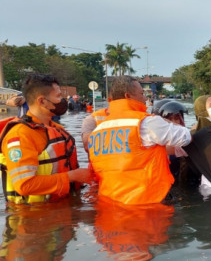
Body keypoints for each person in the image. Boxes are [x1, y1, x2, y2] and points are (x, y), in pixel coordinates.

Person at [87, 76, 191, 205]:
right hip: (146, 203)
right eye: (142, 94)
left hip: (111, 204)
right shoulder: (146, 122)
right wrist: (168, 122)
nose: (145, 98)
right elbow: (185, 137)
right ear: (128, 96)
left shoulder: (98, 131)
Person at [0, 74, 91, 204]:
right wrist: (73, 176)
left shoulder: (56, 129)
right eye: (58, 96)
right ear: (42, 101)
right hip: (31, 217)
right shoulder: (20, 135)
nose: (63, 100)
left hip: (59, 211)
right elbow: (25, 185)